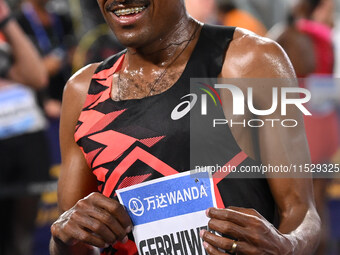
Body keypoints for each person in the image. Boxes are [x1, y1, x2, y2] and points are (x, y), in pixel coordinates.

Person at [50, 0, 321, 254]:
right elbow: (75, 242)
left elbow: (300, 210)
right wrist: (63, 236)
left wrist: (287, 245)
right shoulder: (82, 91)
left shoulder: (249, 61)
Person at [0, 1, 49, 254]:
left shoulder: (6, 35)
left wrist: (6, 19)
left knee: (22, 238)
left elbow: (37, 76)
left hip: (27, 135)